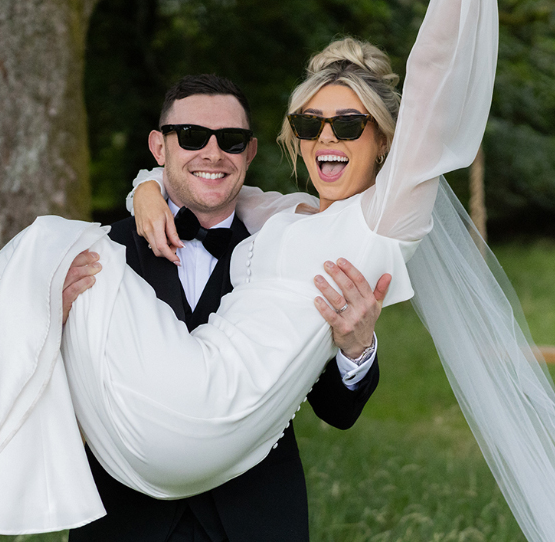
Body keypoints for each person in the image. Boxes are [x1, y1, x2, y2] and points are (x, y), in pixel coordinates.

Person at [0, 0, 555, 540]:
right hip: (151, 460)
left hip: (210, 425)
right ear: (293, 139)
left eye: (350, 125)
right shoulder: (277, 212)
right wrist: (145, 188)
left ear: (385, 142)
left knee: (43, 240)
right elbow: (189, 177)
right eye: (311, 124)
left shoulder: (384, 218)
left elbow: (436, 80)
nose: (328, 137)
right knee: (23, 282)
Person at [68, 74, 389, 542]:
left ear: (250, 152)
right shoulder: (101, 253)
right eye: (191, 136)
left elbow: (337, 412)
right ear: (159, 147)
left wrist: (357, 350)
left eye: (232, 140)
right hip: (126, 520)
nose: (213, 153)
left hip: (255, 520)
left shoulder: (283, 249)